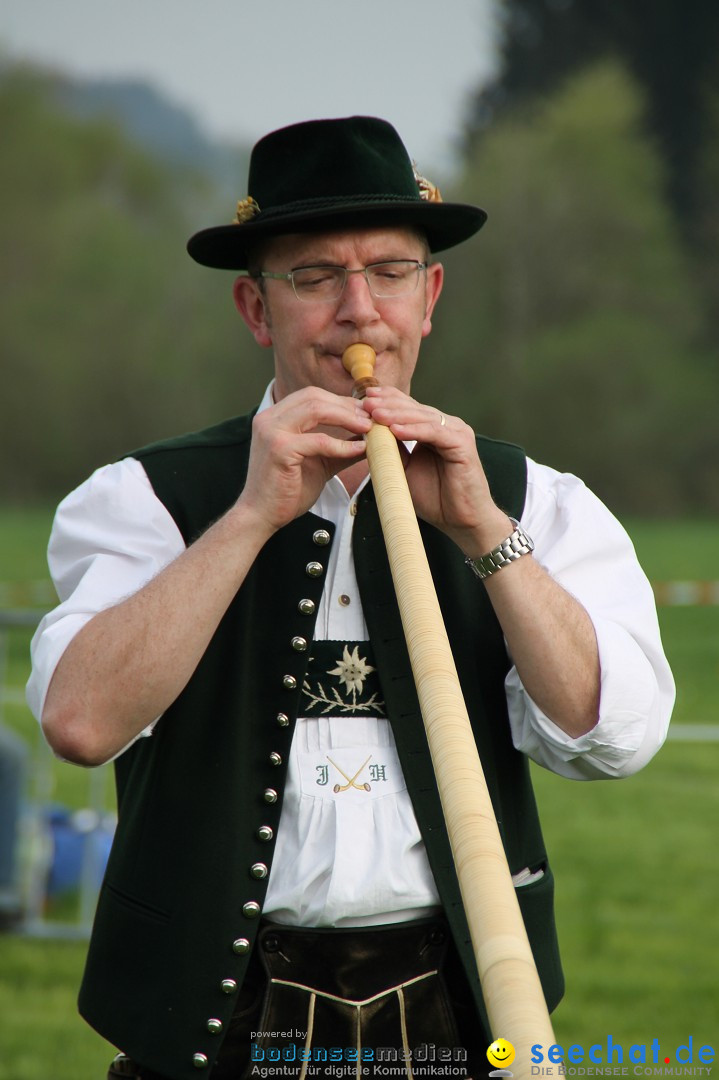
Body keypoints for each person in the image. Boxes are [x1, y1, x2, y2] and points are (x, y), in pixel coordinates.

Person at [27, 116, 674, 1080]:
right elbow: (79, 723)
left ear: (431, 295)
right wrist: (251, 517)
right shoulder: (146, 498)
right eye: (315, 277)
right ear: (257, 308)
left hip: (464, 1010)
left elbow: (614, 736)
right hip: (216, 1026)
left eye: (390, 272)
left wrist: (484, 536)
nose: (359, 312)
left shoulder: (531, 498)